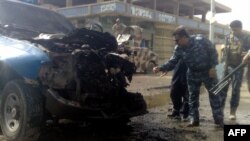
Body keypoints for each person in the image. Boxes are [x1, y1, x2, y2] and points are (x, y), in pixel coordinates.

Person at [153, 26, 224, 127]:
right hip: (192, 73)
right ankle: (194, 120)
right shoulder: (179, 48)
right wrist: (161, 68)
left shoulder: (201, 40)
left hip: (208, 72)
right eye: (175, 41)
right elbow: (173, 61)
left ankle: (218, 119)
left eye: (177, 40)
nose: (176, 43)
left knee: (214, 95)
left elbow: (213, 53)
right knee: (192, 97)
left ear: (184, 37)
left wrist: (213, 67)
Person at [220, 20, 250, 120]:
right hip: (227, 66)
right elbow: (224, 50)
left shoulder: (246, 37)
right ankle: (219, 110)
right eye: (232, 30)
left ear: (241, 28)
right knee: (223, 88)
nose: (233, 32)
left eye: (235, 30)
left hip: (239, 66)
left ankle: (233, 112)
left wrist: (247, 54)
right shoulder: (228, 37)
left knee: (235, 89)